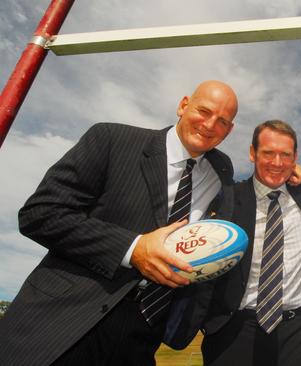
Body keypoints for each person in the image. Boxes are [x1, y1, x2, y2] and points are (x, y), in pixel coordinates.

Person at [0, 80, 239, 366]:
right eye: (204, 111)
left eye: (222, 121)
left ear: (229, 130)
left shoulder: (220, 175)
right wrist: (132, 248)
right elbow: (41, 213)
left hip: (142, 334)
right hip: (62, 323)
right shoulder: (111, 139)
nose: (210, 124)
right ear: (183, 105)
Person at [169, 120, 301, 366]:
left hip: (295, 332)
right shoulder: (227, 197)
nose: (277, 162)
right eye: (268, 153)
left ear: (295, 157)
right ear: (252, 153)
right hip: (234, 331)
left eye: (285, 155)